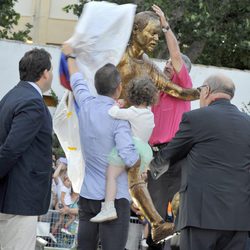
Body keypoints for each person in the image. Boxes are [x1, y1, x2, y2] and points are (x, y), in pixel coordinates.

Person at [150, 74, 250, 250]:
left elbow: (170, 154)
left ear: (207, 91)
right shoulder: (247, 123)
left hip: (201, 216)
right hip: (239, 218)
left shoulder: (196, 118)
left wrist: (149, 168)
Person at [61, 43, 140, 250]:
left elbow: (76, 80)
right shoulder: (119, 118)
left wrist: (70, 56)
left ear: (96, 86)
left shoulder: (86, 105)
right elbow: (129, 157)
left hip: (88, 195)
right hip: (115, 199)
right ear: (119, 88)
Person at [146, 5, 194, 249]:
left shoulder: (183, 89)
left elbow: (176, 56)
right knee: (153, 214)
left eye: (170, 66)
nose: (166, 66)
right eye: (164, 63)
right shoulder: (157, 93)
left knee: (176, 212)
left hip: (174, 156)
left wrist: (165, 26)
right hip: (155, 158)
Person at [0, 48, 53, 250]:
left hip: (11, 196)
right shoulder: (33, 102)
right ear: (45, 73)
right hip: (20, 199)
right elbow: (12, 148)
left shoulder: (10, 96)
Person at [90, 77, 158, 223]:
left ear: (132, 95)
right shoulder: (150, 114)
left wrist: (117, 103)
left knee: (111, 175)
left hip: (131, 147)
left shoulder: (132, 112)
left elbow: (113, 113)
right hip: (144, 151)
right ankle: (139, 206)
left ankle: (108, 207)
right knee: (131, 182)